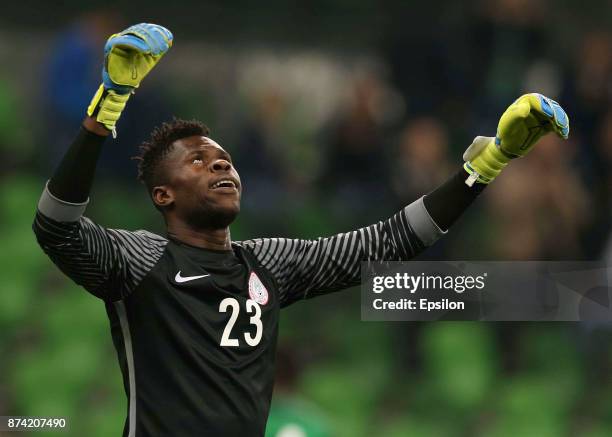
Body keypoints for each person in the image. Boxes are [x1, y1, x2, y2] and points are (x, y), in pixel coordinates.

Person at [32, 24, 569, 437]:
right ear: (162, 195)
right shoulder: (139, 260)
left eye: (224, 159)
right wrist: (106, 110)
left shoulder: (269, 263)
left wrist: (490, 162)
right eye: (199, 161)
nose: (222, 166)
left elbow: (393, 240)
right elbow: (56, 226)